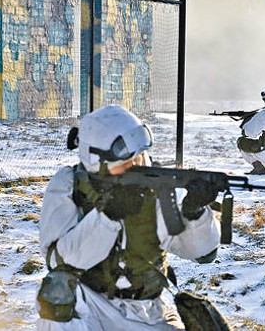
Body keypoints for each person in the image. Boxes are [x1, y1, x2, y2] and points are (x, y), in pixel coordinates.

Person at [36, 105, 228, 330]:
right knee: (54, 295)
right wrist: (107, 218)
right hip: (90, 305)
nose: (137, 167)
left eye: (139, 159)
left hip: (148, 310)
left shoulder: (158, 187)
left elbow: (202, 254)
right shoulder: (70, 185)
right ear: (98, 164)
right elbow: (58, 262)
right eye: (125, 165)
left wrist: (195, 214)